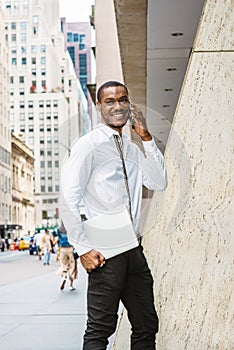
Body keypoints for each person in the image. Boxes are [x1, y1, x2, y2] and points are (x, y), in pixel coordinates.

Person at [60, 81, 167, 349]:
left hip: (133, 247)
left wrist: (146, 138)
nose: (117, 106)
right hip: (106, 247)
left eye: (122, 99)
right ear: (99, 107)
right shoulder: (88, 145)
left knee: (146, 324)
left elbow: (158, 182)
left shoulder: (131, 148)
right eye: (109, 101)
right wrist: (82, 247)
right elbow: (68, 198)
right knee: (100, 329)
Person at [56, 221, 77, 291]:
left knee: (63, 265)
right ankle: (71, 284)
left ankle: (64, 276)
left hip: (62, 249)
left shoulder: (59, 229)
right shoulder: (71, 229)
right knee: (72, 266)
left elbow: (59, 239)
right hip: (70, 248)